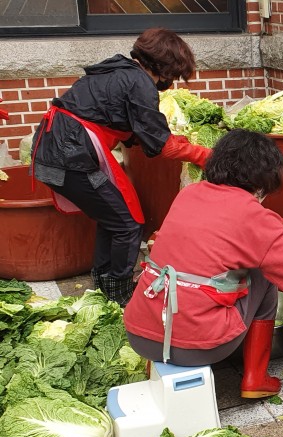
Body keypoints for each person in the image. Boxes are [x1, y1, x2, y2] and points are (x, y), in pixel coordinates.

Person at [124, 130, 283, 399]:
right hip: (199, 347)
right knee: (263, 275)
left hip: (140, 335)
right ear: (264, 180)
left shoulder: (188, 195)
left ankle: (155, 366)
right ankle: (255, 379)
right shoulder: (256, 217)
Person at [30, 28, 212, 306]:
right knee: (127, 224)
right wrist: (204, 155)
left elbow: (112, 118)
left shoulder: (118, 71)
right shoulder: (139, 83)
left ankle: (104, 283)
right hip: (69, 155)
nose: (172, 82)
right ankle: (120, 293)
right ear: (164, 68)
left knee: (114, 218)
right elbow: (163, 145)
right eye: (174, 75)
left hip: (56, 149)